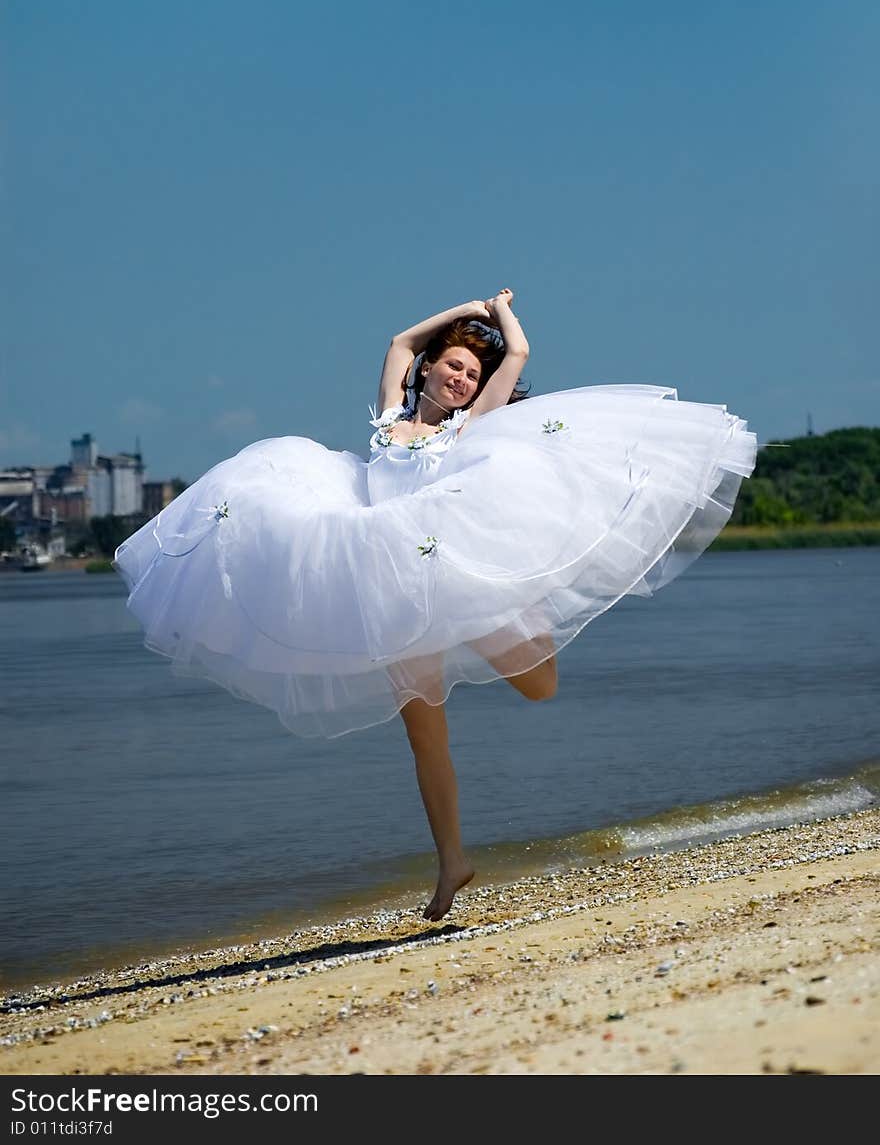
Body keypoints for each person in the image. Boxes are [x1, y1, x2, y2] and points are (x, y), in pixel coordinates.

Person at [114, 289, 756, 921]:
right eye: (454, 365)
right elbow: (399, 341)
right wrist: (461, 315)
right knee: (426, 738)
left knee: (540, 686)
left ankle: (511, 613)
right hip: (389, 589)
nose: (462, 379)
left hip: (450, 571)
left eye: (473, 376)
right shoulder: (388, 417)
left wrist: (496, 314)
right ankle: (451, 861)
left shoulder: (467, 426)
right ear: (429, 368)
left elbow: (520, 351)